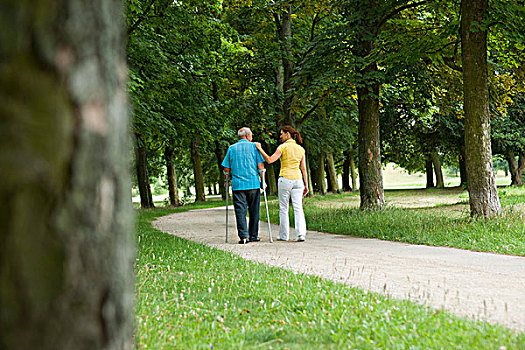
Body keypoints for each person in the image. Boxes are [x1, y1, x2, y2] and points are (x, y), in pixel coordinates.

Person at [254, 126, 308, 242]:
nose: (280, 136)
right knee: (298, 208)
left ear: (287, 134)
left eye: (281, 134)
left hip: (285, 179)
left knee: (283, 208)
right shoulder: (301, 149)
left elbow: (269, 160)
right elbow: (303, 168)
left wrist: (260, 148)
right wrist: (306, 184)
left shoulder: (282, 147)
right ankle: (301, 234)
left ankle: (284, 235)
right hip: (298, 180)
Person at [222, 127, 265, 244]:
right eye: (251, 136)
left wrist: (227, 179)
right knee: (254, 210)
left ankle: (244, 237)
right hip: (253, 183)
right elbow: (261, 167)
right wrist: (263, 181)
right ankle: (253, 236)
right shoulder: (254, 148)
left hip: (238, 185)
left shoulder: (231, 148)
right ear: (247, 136)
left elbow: (226, 169)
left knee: (240, 211)